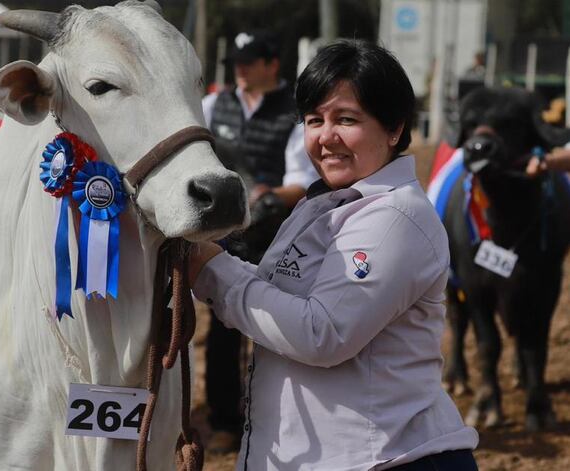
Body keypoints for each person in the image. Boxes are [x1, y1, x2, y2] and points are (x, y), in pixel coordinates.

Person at [189, 39, 479, 470]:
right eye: (313, 120)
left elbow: (321, 333)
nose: (326, 137)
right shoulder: (324, 203)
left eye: (346, 119)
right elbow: (280, 297)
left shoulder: (395, 217)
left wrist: (210, 268)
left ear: (395, 128)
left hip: (386, 459)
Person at [200, 29, 318, 454]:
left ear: (272, 64)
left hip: (278, 234)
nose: (241, 69)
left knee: (274, 328)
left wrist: (264, 197)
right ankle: (225, 420)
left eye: (249, 61)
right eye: (237, 62)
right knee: (222, 328)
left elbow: (300, 182)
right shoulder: (214, 105)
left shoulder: (296, 112)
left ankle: (275, 417)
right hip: (225, 234)